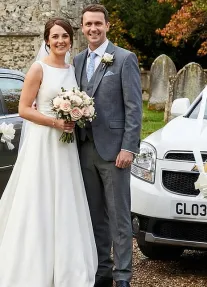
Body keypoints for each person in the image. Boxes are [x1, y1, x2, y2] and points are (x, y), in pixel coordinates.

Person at [0, 17, 98, 286]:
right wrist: (56, 121)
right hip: (43, 142)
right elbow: (23, 109)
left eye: (65, 36)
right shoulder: (37, 68)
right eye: (55, 36)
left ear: (70, 40)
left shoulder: (72, 68)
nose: (60, 41)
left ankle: (67, 267)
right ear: (47, 41)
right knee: (39, 199)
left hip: (65, 147)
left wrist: (78, 112)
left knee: (65, 198)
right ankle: (33, 267)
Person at [73, 4, 142, 287]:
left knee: (119, 217)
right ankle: (102, 272)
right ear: (82, 27)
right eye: (88, 24)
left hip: (115, 152)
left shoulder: (125, 59)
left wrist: (129, 147)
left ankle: (123, 276)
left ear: (108, 26)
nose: (93, 29)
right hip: (83, 149)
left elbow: (134, 107)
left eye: (98, 24)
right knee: (94, 216)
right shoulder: (76, 61)